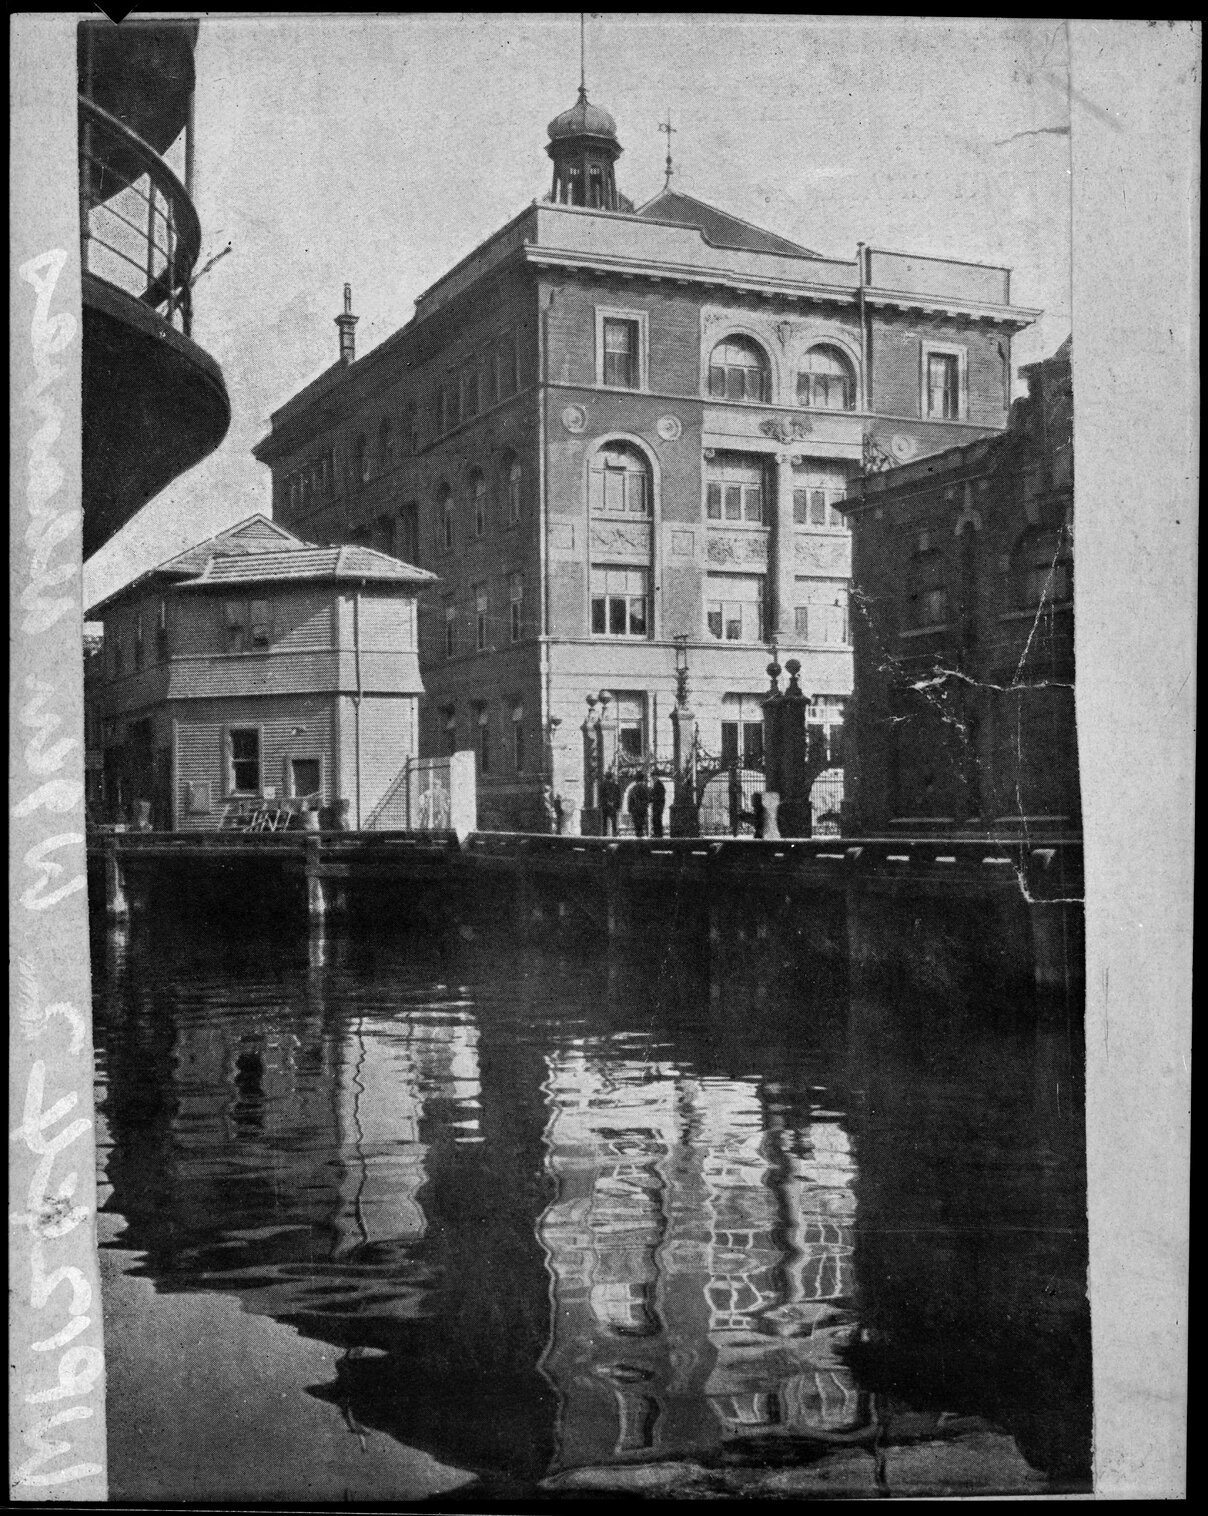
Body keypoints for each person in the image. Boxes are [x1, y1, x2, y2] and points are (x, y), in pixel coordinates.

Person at [628, 772, 651, 837]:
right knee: (643, 825)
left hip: (635, 810)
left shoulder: (633, 788)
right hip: (643, 809)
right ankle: (645, 837)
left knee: (637, 827)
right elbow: (649, 799)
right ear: (643, 779)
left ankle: (639, 840)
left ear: (636, 779)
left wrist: (630, 809)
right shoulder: (646, 788)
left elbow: (630, 800)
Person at [600, 771, 621, 836]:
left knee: (604, 821)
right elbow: (618, 796)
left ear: (605, 777)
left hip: (605, 805)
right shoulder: (615, 785)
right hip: (613, 805)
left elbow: (601, 796)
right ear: (611, 777)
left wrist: (606, 802)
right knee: (614, 820)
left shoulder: (602, 785)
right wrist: (616, 804)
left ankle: (604, 834)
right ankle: (614, 833)